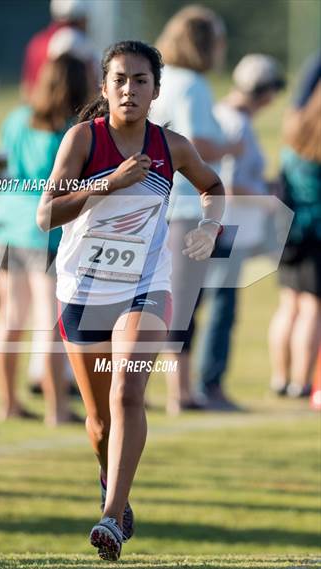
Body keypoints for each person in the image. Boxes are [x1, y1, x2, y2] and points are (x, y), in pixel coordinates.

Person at [37, 40, 225, 560]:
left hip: (146, 288)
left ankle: (111, 517)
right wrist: (108, 183)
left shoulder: (172, 147)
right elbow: (45, 214)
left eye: (140, 80)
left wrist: (210, 228)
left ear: (156, 90)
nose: (129, 89)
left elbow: (213, 186)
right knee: (99, 424)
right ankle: (109, 478)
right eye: (119, 79)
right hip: (84, 291)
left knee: (128, 394)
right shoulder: (82, 139)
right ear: (104, 87)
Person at [0, 54, 88, 424]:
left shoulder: (15, 118)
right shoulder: (71, 129)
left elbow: (0, 168)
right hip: (41, 229)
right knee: (49, 322)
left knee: (11, 319)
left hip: (3, 222)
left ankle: (8, 402)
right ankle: (56, 409)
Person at [150, 5, 242, 413]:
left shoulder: (163, 81)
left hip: (154, 201)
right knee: (184, 300)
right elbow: (197, 144)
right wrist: (229, 148)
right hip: (187, 205)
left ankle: (170, 389)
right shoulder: (193, 85)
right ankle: (180, 393)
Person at [194, 54, 286, 406]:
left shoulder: (224, 116)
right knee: (220, 308)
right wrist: (268, 196)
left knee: (207, 306)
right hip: (226, 229)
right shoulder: (235, 123)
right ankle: (208, 384)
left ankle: (199, 384)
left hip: (224, 227)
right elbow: (227, 185)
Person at [269, 63, 321, 398]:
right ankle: (302, 381)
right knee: (313, 308)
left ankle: (280, 377)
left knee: (289, 305)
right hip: (315, 234)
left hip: (287, 233)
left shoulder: (293, 133)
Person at [21, 0, 97, 101]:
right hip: (71, 109)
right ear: (81, 19)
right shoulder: (77, 42)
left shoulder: (37, 42)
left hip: (39, 108)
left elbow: (26, 89)